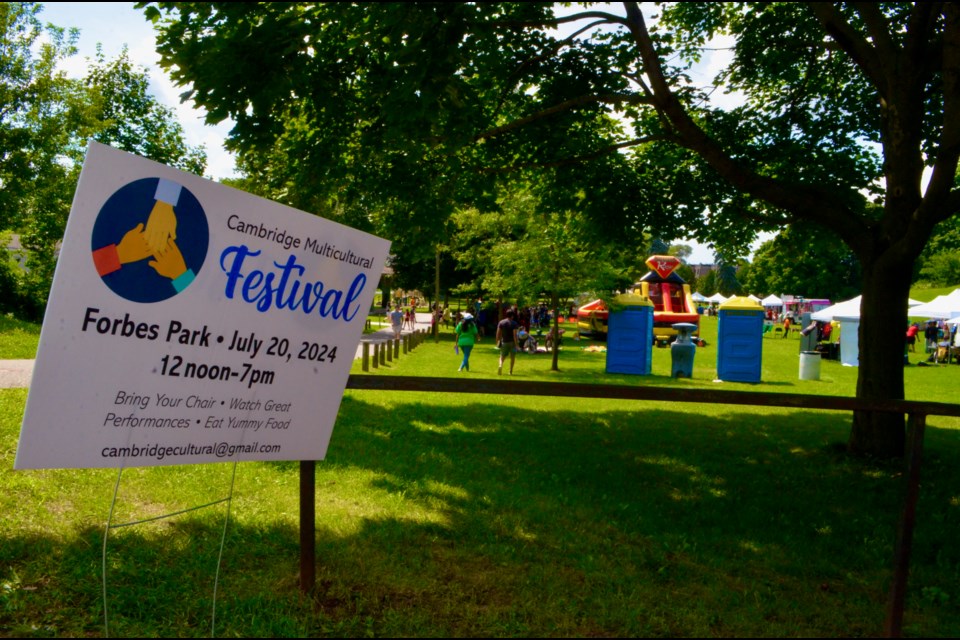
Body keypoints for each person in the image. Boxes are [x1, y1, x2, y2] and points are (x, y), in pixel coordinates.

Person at [496, 308, 519, 375]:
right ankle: (510, 371)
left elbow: (498, 333)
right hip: (512, 343)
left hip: (504, 342)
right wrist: (517, 345)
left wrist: (497, 341)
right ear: (512, 315)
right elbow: (515, 335)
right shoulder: (514, 323)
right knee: (512, 357)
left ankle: (500, 365)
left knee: (502, 356)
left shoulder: (501, 322)